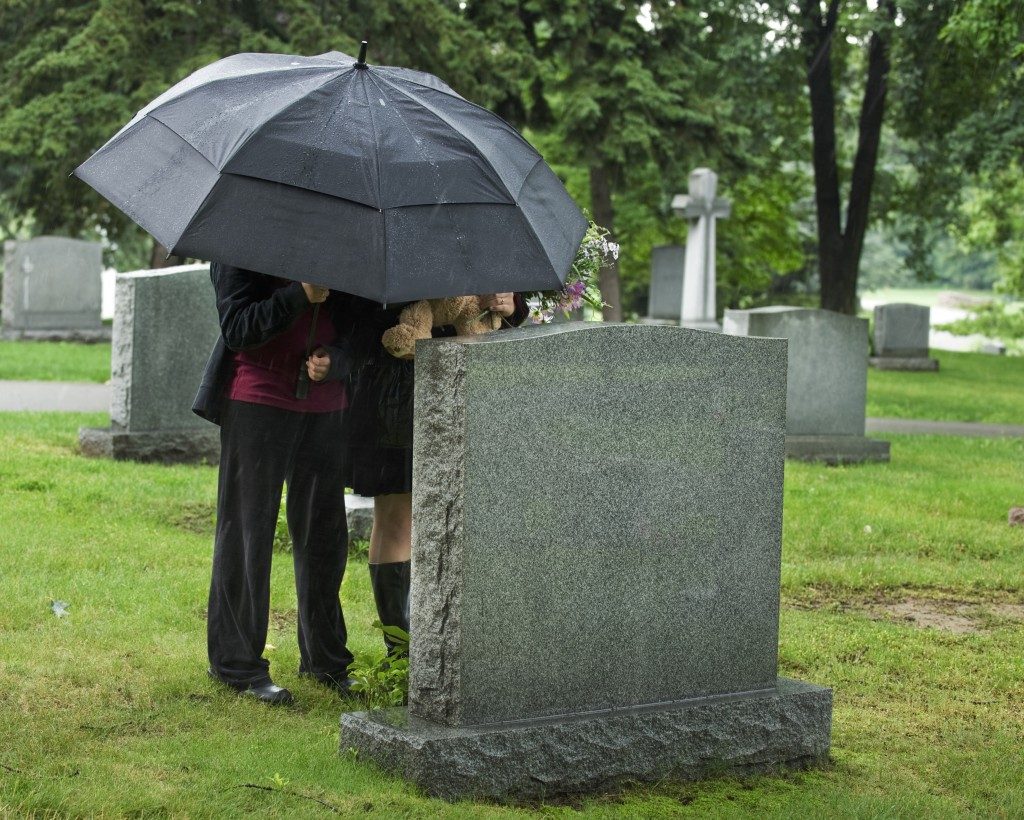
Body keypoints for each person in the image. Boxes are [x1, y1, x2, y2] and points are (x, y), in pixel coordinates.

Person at [193, 262, 359, 705]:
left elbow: (359, 329)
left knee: (325, 537)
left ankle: (327, 661)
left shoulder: (341, 240)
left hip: (326, 406)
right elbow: (237, 327)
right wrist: (300, 293)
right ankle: (237, 666)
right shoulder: (242, 239)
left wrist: (336, 361)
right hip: (258, 396)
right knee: (248, 534)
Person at [343, 293, 528, 651]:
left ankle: (451, 645)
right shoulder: (399, 243)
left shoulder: (480, 243)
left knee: (458, 520)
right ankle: (402, 649)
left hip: (465, 387)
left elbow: (502, 315)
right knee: (397, 516)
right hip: (395, 389)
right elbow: (362, 314)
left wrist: (509, 307)